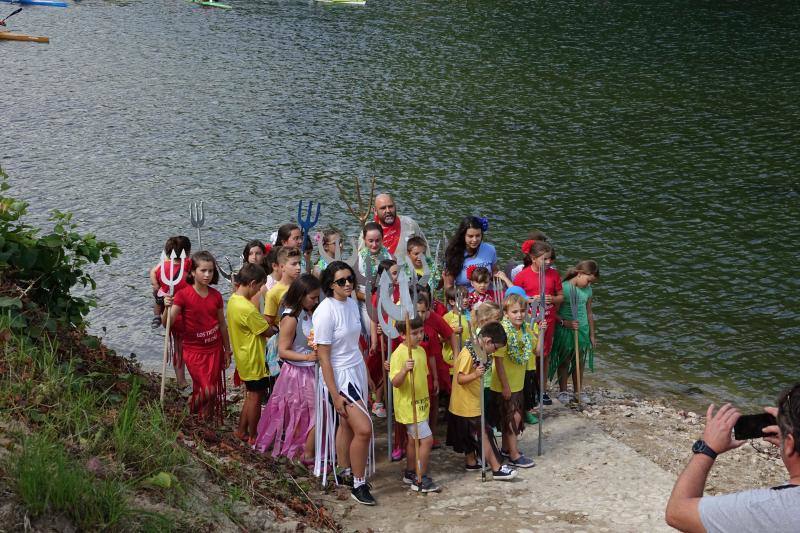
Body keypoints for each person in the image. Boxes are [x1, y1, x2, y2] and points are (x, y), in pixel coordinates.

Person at [665, 384, 800, 532]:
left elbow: (676, 512)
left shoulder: (768, 508)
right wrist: (790, 450)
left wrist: (707, 448)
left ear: (789, 442)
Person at [313, 261, 376, 505]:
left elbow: (355, 344)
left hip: (356, 370)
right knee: (364, 428)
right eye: (342, 281)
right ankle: (359, 484)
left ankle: (344, 470)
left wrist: (368, 376)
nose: (348, 283)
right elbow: (324, 358)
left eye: (350, 278)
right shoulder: (325, 312)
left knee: (347, 426)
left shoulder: (351, 303)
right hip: (339, 376)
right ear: (331, 285)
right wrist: (334, 393)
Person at [255, 274, 321, 463]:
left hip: (311, 368)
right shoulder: (291, 318)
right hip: (298, 372)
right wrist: (307, 356)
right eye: (313, 297)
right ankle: (303, 450)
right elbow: (283, 351)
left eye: (317, 297)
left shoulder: (309, 312)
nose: (316, 301)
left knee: (310, 411)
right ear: (301, 295)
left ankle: (307, 447)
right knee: (304, 411)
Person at [164, 251, 231, 422]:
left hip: (214, 349)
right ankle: (190, 407)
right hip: (194, 350)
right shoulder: (183, 295)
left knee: (208, 392)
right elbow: (167, 323)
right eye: (203, 270)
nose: (207, 275)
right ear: (193, 272)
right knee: (208, 390)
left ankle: (204, 422)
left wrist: (227, 350)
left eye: (210, 271)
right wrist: (166, 307)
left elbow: (222, 324)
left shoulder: (216, 295)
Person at [446, 321, 517, 481]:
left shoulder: (480, 351)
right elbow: (459, 378)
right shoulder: (468, 353)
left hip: (468, 403)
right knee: (485, 434)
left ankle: (471, 461)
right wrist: (475, 375)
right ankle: (496, 467)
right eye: (496, 347)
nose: (496, 351)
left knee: (470, 436)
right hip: (467, 404)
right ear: (487, 341)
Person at [489, 294, 541, 468]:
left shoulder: (526, 329)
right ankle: (514, 454)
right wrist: (505, 385)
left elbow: (538, 352)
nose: (519, 315)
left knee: (510, 418)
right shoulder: (502, 331)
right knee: (513, 419)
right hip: (505, 383)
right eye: (514, 312)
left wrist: (543, 332)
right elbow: (498, 360)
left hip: (519, 382)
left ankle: (505, 448)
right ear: (506, 313)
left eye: (522, 311)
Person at [390, 316, 441, 493]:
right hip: (409, 406)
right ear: (403, 335)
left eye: (421, 332)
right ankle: (420, 478)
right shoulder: (398, 354)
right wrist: (404, 370)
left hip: (421, 404)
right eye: (414, 333)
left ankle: (410, 472)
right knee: (426, 440)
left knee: (413, 441)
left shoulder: (420, 351)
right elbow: (395, 382)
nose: (419, 336)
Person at [512, 240, 563, 406]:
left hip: (547, 322)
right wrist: (528, 300)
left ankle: (543, 390)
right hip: (528, 322)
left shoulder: (553, 274)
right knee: (530, 355)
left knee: (544, 355)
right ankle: (527, 389)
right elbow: (513, 299)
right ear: (533, 258)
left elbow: (561, 297)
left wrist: (553, 299)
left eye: (550, 259)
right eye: (544, 259)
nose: (548, 262)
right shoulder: (522, 276)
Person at [227, 263, 271, 445]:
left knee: (250, 395)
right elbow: (266, 331)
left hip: (243, 356)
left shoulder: (233, 300)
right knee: (256, 397)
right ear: (252, 283)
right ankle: (254, 435)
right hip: (254, 359)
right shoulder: (247, 308)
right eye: (260, 286)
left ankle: (241, 431)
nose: (260, 290)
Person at [551, 260, 599, 404]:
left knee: (579, 361)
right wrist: (565, 322)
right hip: (566, 329)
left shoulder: (588, 290)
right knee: (564, 360)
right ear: (580, 274)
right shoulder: (564, 288)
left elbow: (589, 313)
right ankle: (563, 391)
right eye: (588, 280)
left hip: (582, 330)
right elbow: (554, 312)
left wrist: (592, 334)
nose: (589, 284)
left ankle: (578, 391)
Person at [416, 291, 458, 448]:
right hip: (414, 368)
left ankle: (430, 435)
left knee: (433, 402)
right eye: (417, 311)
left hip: (433, 366)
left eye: (424, 311)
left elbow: (450, 334)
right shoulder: (406, 319)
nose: (421, 315)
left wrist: (456, 355)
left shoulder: (433, 318)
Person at [150, 235, 191, 388]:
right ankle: (190, 378)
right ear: (187, 252)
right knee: (190, 347)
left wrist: (155, 285)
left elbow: (152, 271)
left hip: (168, 313)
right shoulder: (187, 265)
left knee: (178, 346)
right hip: (185, 313)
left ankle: (181, 381)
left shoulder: (161, 267)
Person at [443, 216, 497, 290]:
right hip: (464, 298)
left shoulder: (490, 250)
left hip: (487, 298)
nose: (474, 240)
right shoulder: (453, 253)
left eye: (478, 235)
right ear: (463, 236)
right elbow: (449, 287)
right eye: (470, 236)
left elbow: (495, 274)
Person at [370, 193, 424, 264]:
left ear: (395, 206)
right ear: (375, 211)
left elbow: (426, 253)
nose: (388, 211)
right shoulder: (369, 231)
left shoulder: (410, 225)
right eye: (383, 208)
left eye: (390, 206)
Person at [264, 247, 302, 327]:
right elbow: (269, 323)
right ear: (282, 267)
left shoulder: (302, 286)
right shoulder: (273, 293)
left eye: (300, 263)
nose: (298, 267)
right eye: (294, 264)